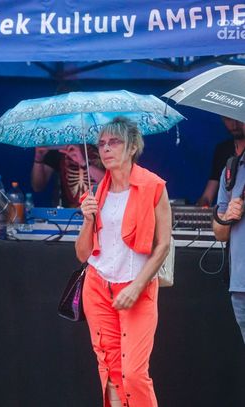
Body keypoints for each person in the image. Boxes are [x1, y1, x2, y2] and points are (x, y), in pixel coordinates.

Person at [75, 117, 172, 407]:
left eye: (114, 142)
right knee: (110, 369)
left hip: (136, 286)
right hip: (98, 287)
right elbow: (82, 254)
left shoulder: (153, 186)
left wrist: (136, 287)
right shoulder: (97, 193)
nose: (106, 149)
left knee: (134, 373)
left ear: (132, 148)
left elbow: (163, 244)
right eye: (102, 143)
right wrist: (87, 219)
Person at [213, 121, 245, 344]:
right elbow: (220, 233)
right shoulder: (230, 169)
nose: (232, 121)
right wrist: (227, 217)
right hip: (239, 284)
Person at [31, 144, 105, 207]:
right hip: (69, 213)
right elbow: (37, 186)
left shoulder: (101, 145)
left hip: (101, 209)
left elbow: (110, 183)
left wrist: (84, 163)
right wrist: (38, 159)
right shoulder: (59, 147)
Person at [197, 116, 245, 206]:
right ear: (222, 119)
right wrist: (202, 205)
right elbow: (209, 192)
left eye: (239, 119)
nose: (234, 125)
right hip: (228, 211)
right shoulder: (223, 150)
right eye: (229, 119)